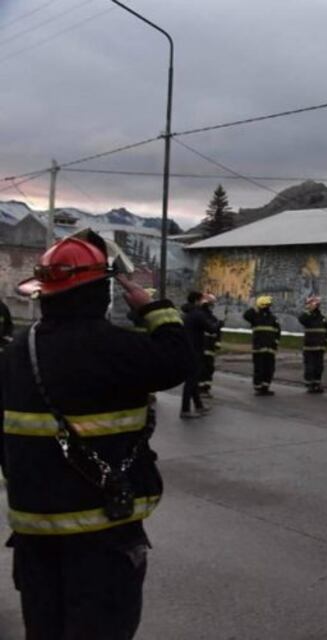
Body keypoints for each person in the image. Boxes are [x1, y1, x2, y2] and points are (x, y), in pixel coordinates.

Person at [1, 233, 193, 639]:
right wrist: (154, 309)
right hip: (104, 533)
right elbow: (179, 360)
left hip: (34, 532)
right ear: (101, 292)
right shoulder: (115, 348)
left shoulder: (17, 351)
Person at [180, 291, 219, 419]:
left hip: (187, 349)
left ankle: (199, 406)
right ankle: (185, 410)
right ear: (197, 300)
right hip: (195, 350)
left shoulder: (187, 313)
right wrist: (218, 324)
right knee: (191, 381)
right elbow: (211, 328)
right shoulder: (197, 314)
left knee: (193, 380)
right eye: (201, 299)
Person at [243, 295, 280, 396]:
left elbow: (277, 332)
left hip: (270, 349)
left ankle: (265, 387)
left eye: (269, 305)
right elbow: (246, 315)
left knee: (269, 369)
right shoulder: (255, 316)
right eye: (267, 305)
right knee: (259, 368)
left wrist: (275, 343)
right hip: (259, 348)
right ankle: (258, 387)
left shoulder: (273, 318)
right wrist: (253, 307)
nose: (268, 307)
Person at [298, 294, 327, 393]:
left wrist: (325, 342)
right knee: (310, 366)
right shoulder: (308, 317)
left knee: (319, 367)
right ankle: (310, 384)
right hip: (309, 347)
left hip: (320, 347)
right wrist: (309, 309)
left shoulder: (322, 318)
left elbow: (326, 331)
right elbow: (301, 319)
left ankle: (317, 384)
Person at [199, 293, 222, 398]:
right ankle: (200, 389)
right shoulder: (200, 317)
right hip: (201, 347)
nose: (212, 307)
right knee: (202, 368)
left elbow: (217, 333)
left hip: (210, 348)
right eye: (211, 305)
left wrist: (217, 343)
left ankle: (206, 388)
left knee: (209, 368)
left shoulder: (213, 318)